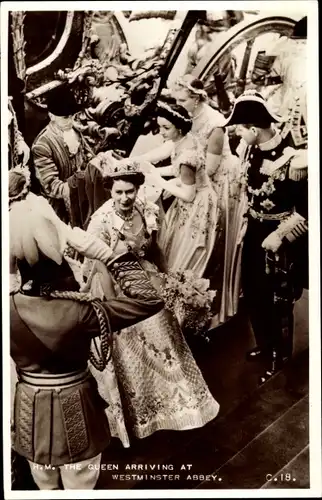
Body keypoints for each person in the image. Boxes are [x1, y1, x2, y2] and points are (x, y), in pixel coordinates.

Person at [9, 167, 164, 490]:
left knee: (45, 485)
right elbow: (150, 300)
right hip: (75, 409)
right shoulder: (81, 312)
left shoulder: (8, 307)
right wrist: (110, 255)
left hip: (29, 413)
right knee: (80, 485)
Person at [82, 157, 220, 447]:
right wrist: (113, 306)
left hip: (147, 277)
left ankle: (179, 408)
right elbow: (101, 267)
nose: (124, 198)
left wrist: (171, 280)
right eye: (118, 192)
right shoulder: (101, 221)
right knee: (129, 352)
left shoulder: (146, 208)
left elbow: (154, 247)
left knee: (166, 341)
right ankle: (137, 420)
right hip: (115, 286)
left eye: (129, 191)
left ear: (137, 189)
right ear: (110, 191)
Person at [223, 90, 308, 384]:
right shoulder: (250, 150)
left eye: (240, 129)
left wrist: (280, 237)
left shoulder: (293, 161)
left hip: (280, 238)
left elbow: (307, 212)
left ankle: (280, 356)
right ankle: (265, 343)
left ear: (254, 130)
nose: (237, 134)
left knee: (278, 298)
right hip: (255, 231)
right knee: (255, 292)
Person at [173, 75, 247, 326]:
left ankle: (216, 304)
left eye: (182, 99)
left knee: (218, 240)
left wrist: (180, 180)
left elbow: (211, 168)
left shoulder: (215, 123)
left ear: (196, 98)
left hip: (221, 182)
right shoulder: (185, 117)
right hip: (198, 178)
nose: (178, 103)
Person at [132, 96, 219, 279]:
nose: (161, 132)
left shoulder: (187, 154)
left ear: (178, 128)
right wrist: (153, 172)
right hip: (196, 195)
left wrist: (159, 180)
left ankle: (179, 289)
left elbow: (188, 194)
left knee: (185, 251)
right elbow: (176, 169)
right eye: (160, 126)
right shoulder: (184, 140)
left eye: (166, 128)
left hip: (197, 204)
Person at [32, 84, 93, 227]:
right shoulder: (42, 145)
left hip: (83, 197)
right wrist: (81, 186)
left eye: (72, 116)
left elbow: (88, 156)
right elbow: (51, 186)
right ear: (51, 115)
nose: (70, 121)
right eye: (65, 117)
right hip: (59, 210)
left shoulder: (75, 132)